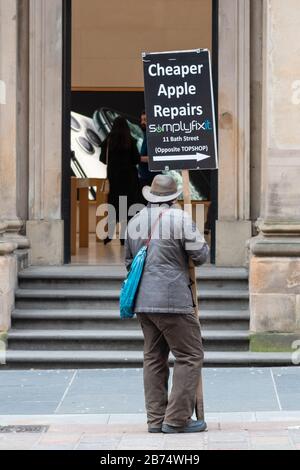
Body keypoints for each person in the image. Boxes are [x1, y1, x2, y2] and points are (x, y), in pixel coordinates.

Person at [125, 175, 209, 434]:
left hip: (143, 301)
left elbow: (129, 262)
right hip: (172, 299)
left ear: (151, 195)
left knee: (153, 357)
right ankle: (176, 419)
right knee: (190, 355)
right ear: (173, 196)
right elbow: (202, 255)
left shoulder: (135, 220)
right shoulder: (179, 218)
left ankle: (155, 419)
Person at [100, 117, 142, 245]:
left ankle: (109, 235)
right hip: (129, 179)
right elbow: (136, 159)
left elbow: (102, 158)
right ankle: (124, 237)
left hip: (114, 179)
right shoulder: (131, 141)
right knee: (126, 207)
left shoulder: (109, 141)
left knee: (113, 206)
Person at [138, 111, 161, 191]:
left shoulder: (154, 136)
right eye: (142, 120)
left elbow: (155, 158)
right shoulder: (146, 134)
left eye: (145, 120)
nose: (142, 122)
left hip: (151, 179)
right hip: (145, 177)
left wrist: (137, 158)